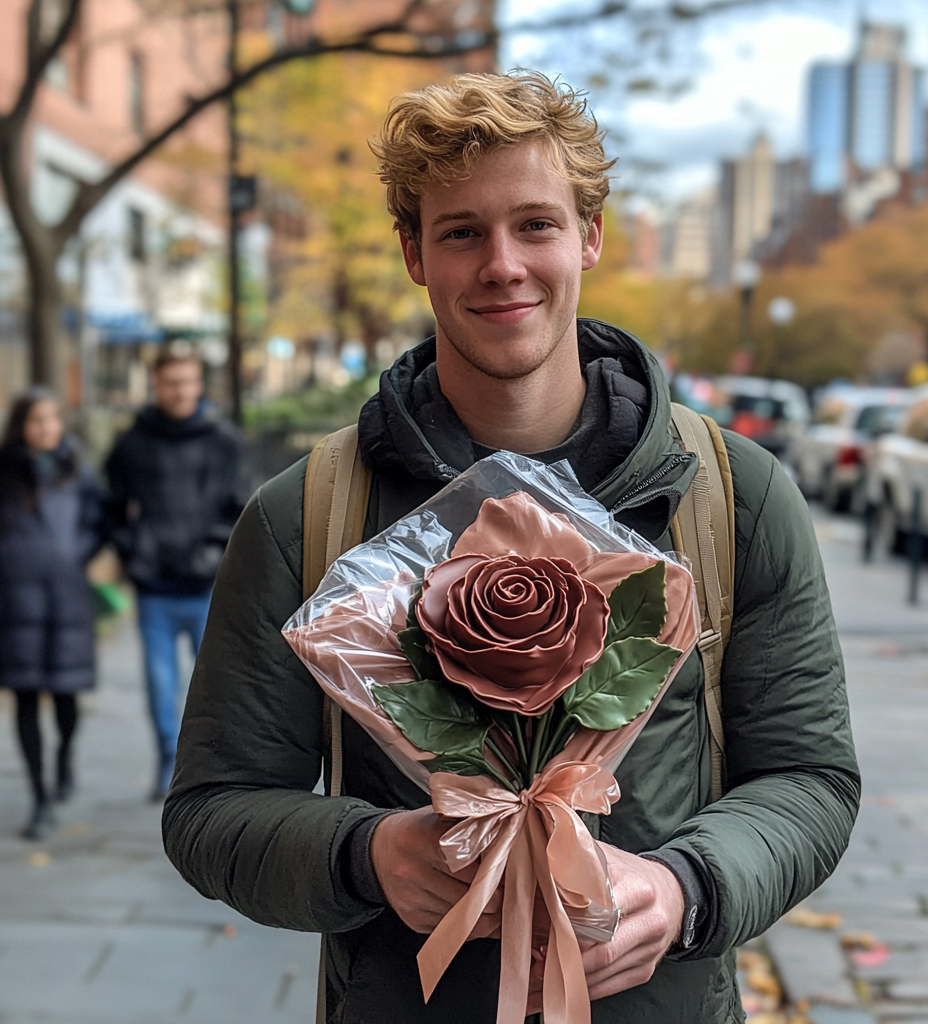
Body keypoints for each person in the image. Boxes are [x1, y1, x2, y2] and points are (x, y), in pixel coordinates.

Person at [164, 72, 859, 1022]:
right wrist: (368, 853)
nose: (503, 264)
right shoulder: (306, 516)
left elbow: (810, 778)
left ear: (591, 236)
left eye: (535, 224)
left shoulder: (734, 500)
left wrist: (691, 887)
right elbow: (211, 813)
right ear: (414, 254)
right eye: (461, 232)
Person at [105, 348, 247, 799]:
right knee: (159, 683)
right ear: (157, 385)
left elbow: (242, 506)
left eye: (188, 381)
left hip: (208, 585)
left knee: (214, 684)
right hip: (154, 587)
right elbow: (110, 507)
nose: (180, 390)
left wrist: (213, 549)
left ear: (200, 384)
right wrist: (133, 549)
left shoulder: (224, 442)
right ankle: (168, 759)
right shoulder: (132, 442)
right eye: (171, 382)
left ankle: (209, 767)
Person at [0, 388, 105, 840]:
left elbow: (102, 521)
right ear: (21, 427)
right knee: (25, 695)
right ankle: (40, 796)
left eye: (51, 420)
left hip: (66, 596)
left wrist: (75, 554)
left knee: (66, 694)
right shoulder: (4, 472)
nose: (45, 429)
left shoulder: (78, 471)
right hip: (15, 598)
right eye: (35, 421)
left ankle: (64, 756)